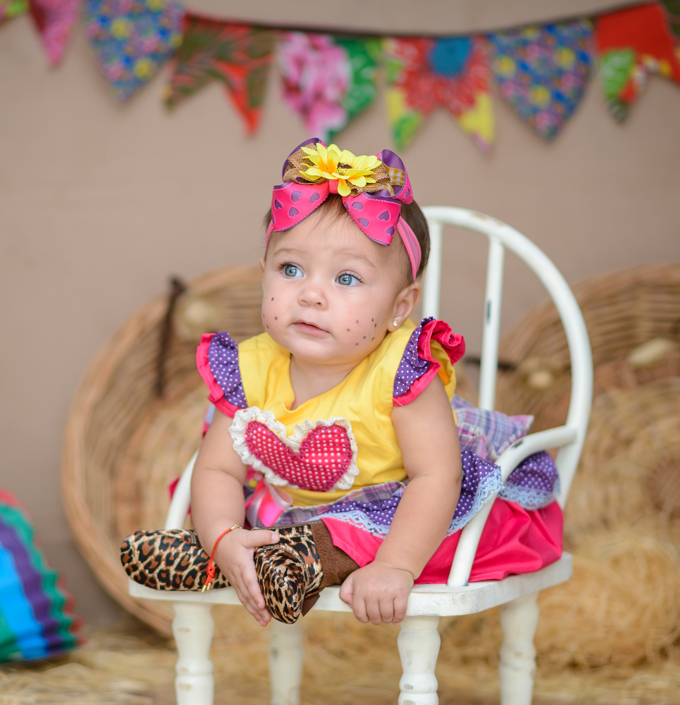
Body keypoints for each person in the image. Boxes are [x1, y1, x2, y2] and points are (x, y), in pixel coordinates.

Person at [122, 139, 562, 627]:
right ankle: (231, 557)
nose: (310, 294)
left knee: (405, 532)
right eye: (291, 269)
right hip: (298, 514)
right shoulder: (248, 368)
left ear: (399, 307)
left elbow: (437, 477)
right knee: (222, 512)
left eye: (347, 278)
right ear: (264, 275)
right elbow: (217, 471)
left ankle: (296, 561)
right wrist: (223, 535)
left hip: (415, 516)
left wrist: (395, 565)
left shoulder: (402, 370)